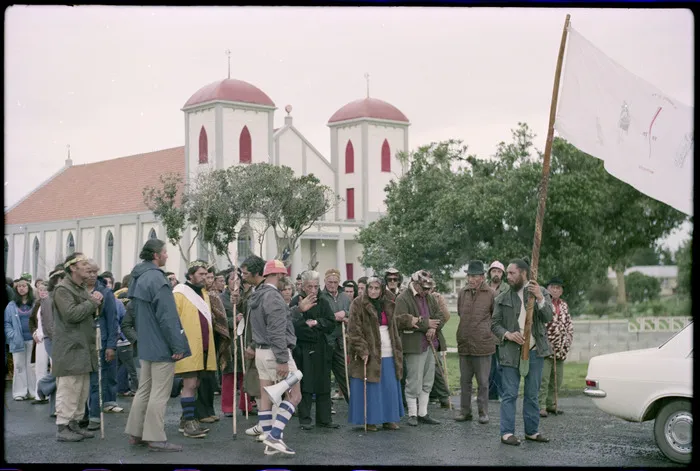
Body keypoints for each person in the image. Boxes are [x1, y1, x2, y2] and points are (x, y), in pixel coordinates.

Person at [124, 239, 191, 452]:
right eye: (164, 252)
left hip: (146, 343)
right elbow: (167, 317)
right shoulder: (157, 279)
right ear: (155, 255)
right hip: (161, 345)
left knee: (144, 390)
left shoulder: (138, 277)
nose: (166, 256)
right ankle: (155, 437)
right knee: (159, 393)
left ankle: (136, 433)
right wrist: (177, 345)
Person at [242, 256, 302, 456]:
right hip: (275, 352)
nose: (285, 278)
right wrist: (283, 359)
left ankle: (270, 444)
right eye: (283, 274)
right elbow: (276, 331)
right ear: (277, 275)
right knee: (295, 396)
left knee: (266, 398)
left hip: (261, 352)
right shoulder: (274, 297)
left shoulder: (257, 295)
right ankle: (274, 435)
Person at [492, 258, 553, 446]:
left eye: (512, 273)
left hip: (535, 351)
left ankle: (532, 431)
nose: (508, 276)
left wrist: (540, 298)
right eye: (507, 273)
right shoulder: (502, 298)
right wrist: (508, 334)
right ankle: (507, 433)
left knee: (532, 393)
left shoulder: (540, 292)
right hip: (510, 352)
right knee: (509, 393)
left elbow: (548, 317)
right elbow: (494, 324)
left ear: (524, 273)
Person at [52, 252, 102, 442]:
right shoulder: (62, 290)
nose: (88, 267)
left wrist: (96, 302)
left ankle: (75, 423)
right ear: (72, 268)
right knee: (69, 388)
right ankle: (63, 426)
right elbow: (72, 315)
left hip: (82, 347)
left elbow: (90, 312)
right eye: (83, 264)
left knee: (81, 389)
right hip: (70, 348)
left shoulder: (79, 288)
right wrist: (92, 301)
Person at [347, 276, 404, 431]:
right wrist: (362, 349)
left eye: (376, 288)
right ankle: (370, 420)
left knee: (389, 386)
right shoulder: (357, 304)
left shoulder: (388, 303)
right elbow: (353, 330)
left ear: (382, 289)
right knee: (371, 387)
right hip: (370, 351)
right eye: (370, 288)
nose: (373, 291)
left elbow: (395, 325)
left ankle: (389, 419)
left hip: (389, 351)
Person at [172, 260, 217, 439]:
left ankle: (186, 418)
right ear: (190, 275)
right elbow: (174, 321)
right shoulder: (179, 293)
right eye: (201, 274)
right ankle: (189, 423)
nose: (205, 277)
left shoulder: (205, 294)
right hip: (188, 346)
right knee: (190, 384)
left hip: (204, 346)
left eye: (206, 274)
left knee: (196, 383)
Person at [395, 270, 446, 426]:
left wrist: (433, 328)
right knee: (414, 380)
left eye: (429, 288)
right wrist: (426, 324)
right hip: (414, 345)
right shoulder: (403, 298)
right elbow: (399, 320)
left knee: (427, 380)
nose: (426, 291)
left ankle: (423, 413)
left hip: (430, 344)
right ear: (415, 283)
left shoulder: (430, 298)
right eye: (424, 288)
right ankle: (412, 414)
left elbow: (440, 315)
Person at [290, 270, 338, 430]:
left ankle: (324, 419)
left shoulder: (323, 301)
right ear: (303, 286)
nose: (313, 290)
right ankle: (305, 419)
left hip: (321, 347)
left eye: (316, 287)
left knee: (324, 383)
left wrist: (317, 323)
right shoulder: (296, 302)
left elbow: (331, 322)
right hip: (303, 348)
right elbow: (294, 327)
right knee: (305, 384)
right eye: (309, 286)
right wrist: (308, 327)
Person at [455, 260, 496, 424]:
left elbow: (495, 317)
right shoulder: (462, 293)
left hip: (483, 344)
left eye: (474, 276)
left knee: (483, 382)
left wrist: (486, 332)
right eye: (469, 276)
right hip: (464, 342)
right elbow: (460, 312)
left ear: (482, 277)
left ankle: (483, 412)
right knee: (464, 381)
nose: (471, 279)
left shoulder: (491, 294)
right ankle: (465, 411)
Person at [85, 261, 122, 432]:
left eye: (95, 272)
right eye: (88, 271)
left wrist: (111, 346)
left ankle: (94, 415)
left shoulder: (105, 292)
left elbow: (112, 319)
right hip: (81, 342)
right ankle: (81, 414)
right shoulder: (76, 291)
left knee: (96, 381)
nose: (92, 275)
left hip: (100, 340)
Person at [539, 277, 573, 417]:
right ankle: (541, 405)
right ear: (547, 288)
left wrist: (568, 340)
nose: (555, 290)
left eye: (558, 288)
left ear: (562, 290)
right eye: (553, 287)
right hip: (546, 347)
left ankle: (552, 404)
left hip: (561, 348)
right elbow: (542, 324)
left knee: (557, 379)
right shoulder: (543, 303)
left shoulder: (564, 305)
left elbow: (569, 324)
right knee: (544, 378)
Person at [5, 276, 37, 400]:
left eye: (24, 286)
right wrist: (12, 335)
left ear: (28, 288)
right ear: (16, 289)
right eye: (19, 286)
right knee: (19, 366)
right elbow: (7, 323)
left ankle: (33, 392)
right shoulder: (11, 305)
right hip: (17, 340)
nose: (21, 288)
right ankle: (19, 393)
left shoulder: (34, 303)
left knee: (31, 366)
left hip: (33, 340)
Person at [487, 260, 508, 401]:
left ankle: (501, 393)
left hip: (501, 331)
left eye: (499, 272)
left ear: (502, 274)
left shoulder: (507, 289)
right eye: (494, 271)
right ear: (490, 273)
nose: (496, 274)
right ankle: (488, 393)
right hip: (485, 332)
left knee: (501, 366)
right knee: (487, 366)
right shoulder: (484, 287)